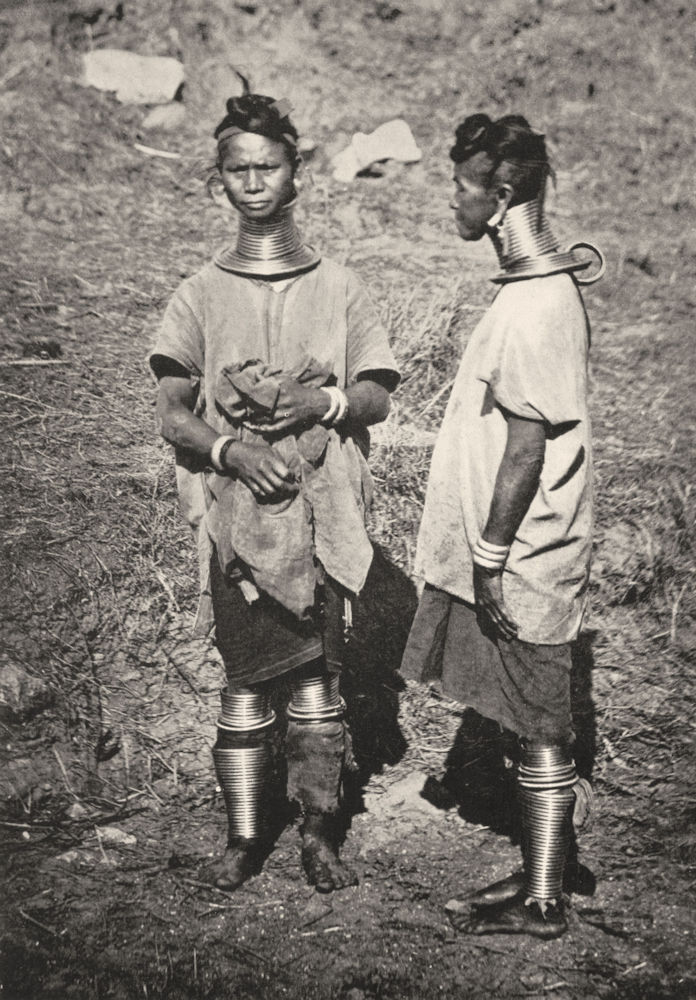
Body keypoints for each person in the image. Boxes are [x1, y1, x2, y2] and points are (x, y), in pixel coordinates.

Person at [150, 79, 399, 893]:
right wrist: (229, 452)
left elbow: (376, 393)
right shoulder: (198, 293)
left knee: (318, 685)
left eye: (268, 167)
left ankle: (320, 836)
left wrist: (322, 402)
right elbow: (172, 413)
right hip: (234, 517)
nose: (254, 183)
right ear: (216, 180)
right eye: (237, 170)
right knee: (244, 682)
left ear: (298, 172)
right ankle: (244, 836)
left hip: (321, 512)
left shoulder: (341, 287)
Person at [401, 113, 603, 938]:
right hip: (515, 548)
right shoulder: (529, 295)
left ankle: (546, 898)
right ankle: (535, 875)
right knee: (527, 722)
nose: (451, 198)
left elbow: (526, 442)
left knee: (541, 724)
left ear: (501, 195)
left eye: (460, 184)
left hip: (526, 554)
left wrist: (488, 557)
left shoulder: (537, 306)